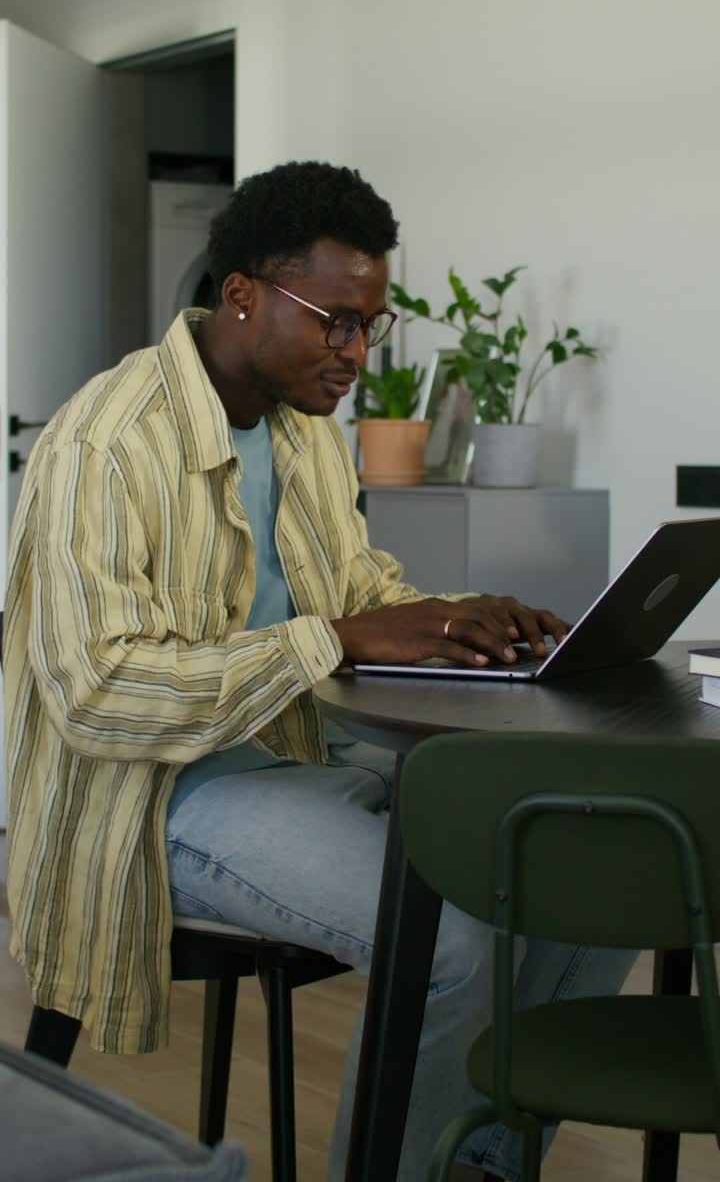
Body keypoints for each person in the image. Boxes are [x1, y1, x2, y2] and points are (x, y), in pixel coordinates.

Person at [3, 161, 633, 1182]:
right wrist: (335, 637)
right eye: (334, 320)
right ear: (243, 294)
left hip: (303, 751)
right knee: (453, 948)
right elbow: (100, 694)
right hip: (156, 791)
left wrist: (458, 618)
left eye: (368, 324)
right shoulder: (109, 439)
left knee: (578, 859)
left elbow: (358, 587)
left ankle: (470, 1164)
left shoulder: (303, 432)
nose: (354, 353)